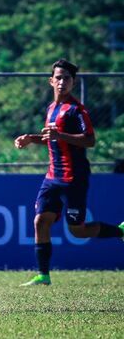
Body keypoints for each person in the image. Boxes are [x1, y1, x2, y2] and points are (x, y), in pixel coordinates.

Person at [14, 59, 124, 286]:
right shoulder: (51, 109)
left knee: (78, 231)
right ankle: (43, 275)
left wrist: (60, 136)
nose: (62, 82)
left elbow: (90, 141)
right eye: (58, 77)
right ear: (50, 81)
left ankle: (120, 231)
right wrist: (31, 139)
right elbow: (51, 139)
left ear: (73, 83)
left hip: (74, 179)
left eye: (67, 78)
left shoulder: (77, 110)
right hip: (52, 177)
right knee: (40, 221)